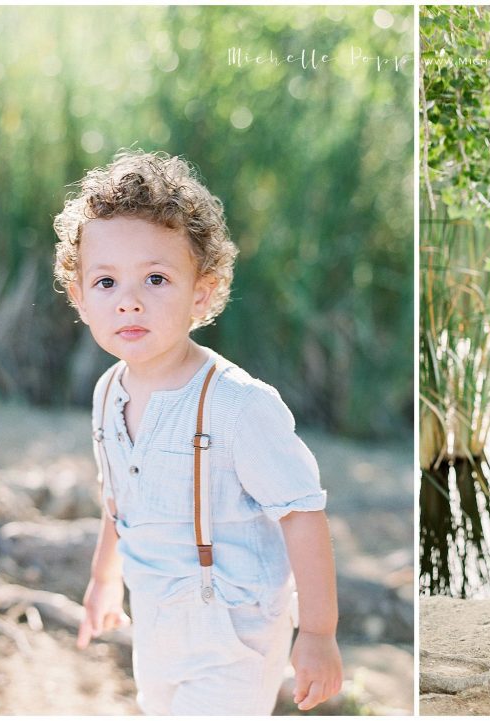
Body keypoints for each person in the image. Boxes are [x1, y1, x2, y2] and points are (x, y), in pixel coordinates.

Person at [53, 150, 343, 714]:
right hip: (156, 618)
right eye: (106, 281)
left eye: (156, 279)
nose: (129, 299)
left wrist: (317, 633)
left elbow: (302, 513)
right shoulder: (109, 393)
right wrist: (103, 581)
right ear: (81, 299)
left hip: (235, 630)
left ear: (201, 294)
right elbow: (120, 500)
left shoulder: (239, 407)